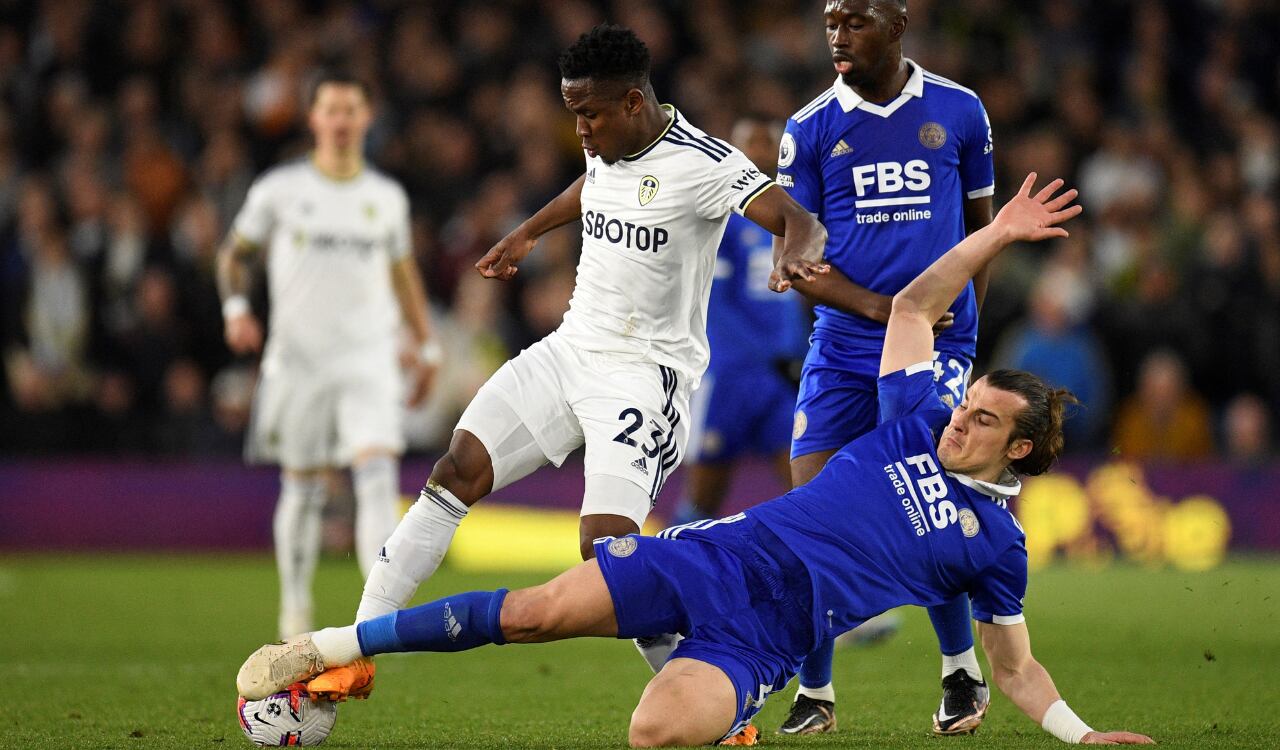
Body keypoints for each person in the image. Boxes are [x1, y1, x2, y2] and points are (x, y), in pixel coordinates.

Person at [239, 175, 1154, 749]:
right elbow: (914, 308)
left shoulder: (997, 545)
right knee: (536, 612)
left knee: (657, 730)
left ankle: (735, 718)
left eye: (984, 422)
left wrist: (1079, 736)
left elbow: (1018, 668)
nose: (962, 423)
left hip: (775, 631)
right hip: (723, 553)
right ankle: (324, 648)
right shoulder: (917, 415)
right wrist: (996, 234)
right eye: (968, 406)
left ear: (1021, 450)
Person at [299, 25, 829, 700]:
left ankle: (717, 692)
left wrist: (792, 248)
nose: (578, 127)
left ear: (634, 102)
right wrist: (527, 230)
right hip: (569, 350)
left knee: (608, 558)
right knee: (456, 468)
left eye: (589, 113)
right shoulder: (608, 145)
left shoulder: (707, 164)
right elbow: (593, 185)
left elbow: (799, 218)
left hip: (644, 376)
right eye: (572, 111)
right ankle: (358, 647)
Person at [774, 0, 999, 735]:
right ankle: (815, 694)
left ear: (899, 24)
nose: (838, 34)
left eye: (857, 20)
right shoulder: (809, 128)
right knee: (809, 511)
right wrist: (887, 309)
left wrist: (962, 333)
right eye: (831, 21)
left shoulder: (960, 112)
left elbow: (981, 234)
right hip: (842, 345)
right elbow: (798, 261)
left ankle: (961, 674)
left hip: (935, 348)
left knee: (928, 498)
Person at [216, 71, 440, 639]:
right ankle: (294, 610)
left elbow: (402, 272)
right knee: (304, 485)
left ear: (366, 119)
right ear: (313, 119)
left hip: (369, 359)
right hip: (299, 361)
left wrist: (426, 344)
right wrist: (237, 309)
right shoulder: (280, 190)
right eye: (331, 110)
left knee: (375, 474)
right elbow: (233, 256)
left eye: (351, 110)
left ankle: (376, 618)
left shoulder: (385, 199)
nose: (341, 121)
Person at [670, 116, 810, 526]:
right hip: (729, 373)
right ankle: (667, 576)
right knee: (702, 502)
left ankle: (810, 581)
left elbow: (794, 302)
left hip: (781, 377)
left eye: (768, 143)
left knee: (803, 490)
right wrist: (772, 354)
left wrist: (797, 353)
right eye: (750, 142)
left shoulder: (792, 215)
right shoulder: (718, 217)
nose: (760, 152)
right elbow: (714, 303)